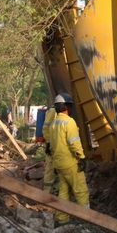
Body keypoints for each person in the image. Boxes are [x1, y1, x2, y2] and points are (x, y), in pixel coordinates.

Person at [48, 92, 90, 224]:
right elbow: (74, 142)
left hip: (59, 164)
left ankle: (62, 219)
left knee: (63, 193)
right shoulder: (69, 122)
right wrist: (82, 157)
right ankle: (86, 219)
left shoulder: (53, 123)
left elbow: (52, 146)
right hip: (71, 163)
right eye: (70, 106)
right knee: (80, 191)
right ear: (66, 106)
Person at [41, 104, 57, 193]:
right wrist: (49, 143)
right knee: (50, 169)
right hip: (52, 145)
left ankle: (52, 191)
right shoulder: (53, 112)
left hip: (55, 145)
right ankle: (47, 193)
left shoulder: (54, 112)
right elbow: (46, 128)